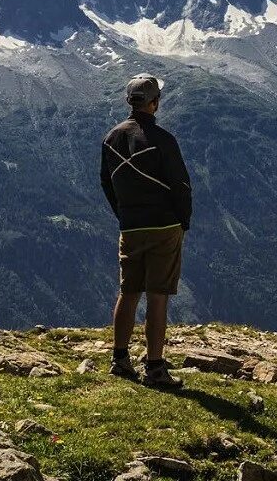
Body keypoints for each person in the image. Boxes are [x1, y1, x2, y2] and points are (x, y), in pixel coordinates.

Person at [99, 74, 191, 387]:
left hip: (131, 226)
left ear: (130, 101)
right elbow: (180, 185)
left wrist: (123, 214)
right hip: (164, 225)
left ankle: (120, 360)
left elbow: (106, 183)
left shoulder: (111, 138)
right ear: (154, 103)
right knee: (157, 297)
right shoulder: (163, 139)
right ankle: (154, 368)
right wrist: (183, 221)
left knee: (128, 292)